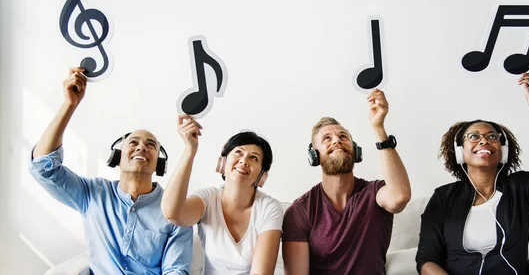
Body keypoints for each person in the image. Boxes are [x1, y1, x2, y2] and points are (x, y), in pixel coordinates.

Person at [29, 67, 193, 274]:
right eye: (133, 142)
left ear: (159, 164)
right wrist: (70, 105)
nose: (142, 147)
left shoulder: (175, 211)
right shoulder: (93, 193)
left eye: (151, 145)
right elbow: (43, 167)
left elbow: (177, 270)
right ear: (118, 157)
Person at [416, 66, 529, 275]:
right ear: (459, 153)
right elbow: (427, 259)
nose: (484, 139)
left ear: (503, 150)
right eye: (473, 136)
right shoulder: (444, 197)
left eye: (493, 137)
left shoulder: (519, 188)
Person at [282, 88, 411, 275]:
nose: (337, 141)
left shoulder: (374, 193)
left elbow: (400, 197)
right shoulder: (300, 211)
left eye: (343, 137)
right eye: (327, 138)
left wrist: (378, 129)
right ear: (314, 155)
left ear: (355, 150)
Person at [161, 116, 283, 275]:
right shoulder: (208, 198)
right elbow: (172, 213)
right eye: (238, 152)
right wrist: (190, 150)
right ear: (223, 162)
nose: (243, 161)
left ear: (262, 174)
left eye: (254, 158)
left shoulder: (269, 208)